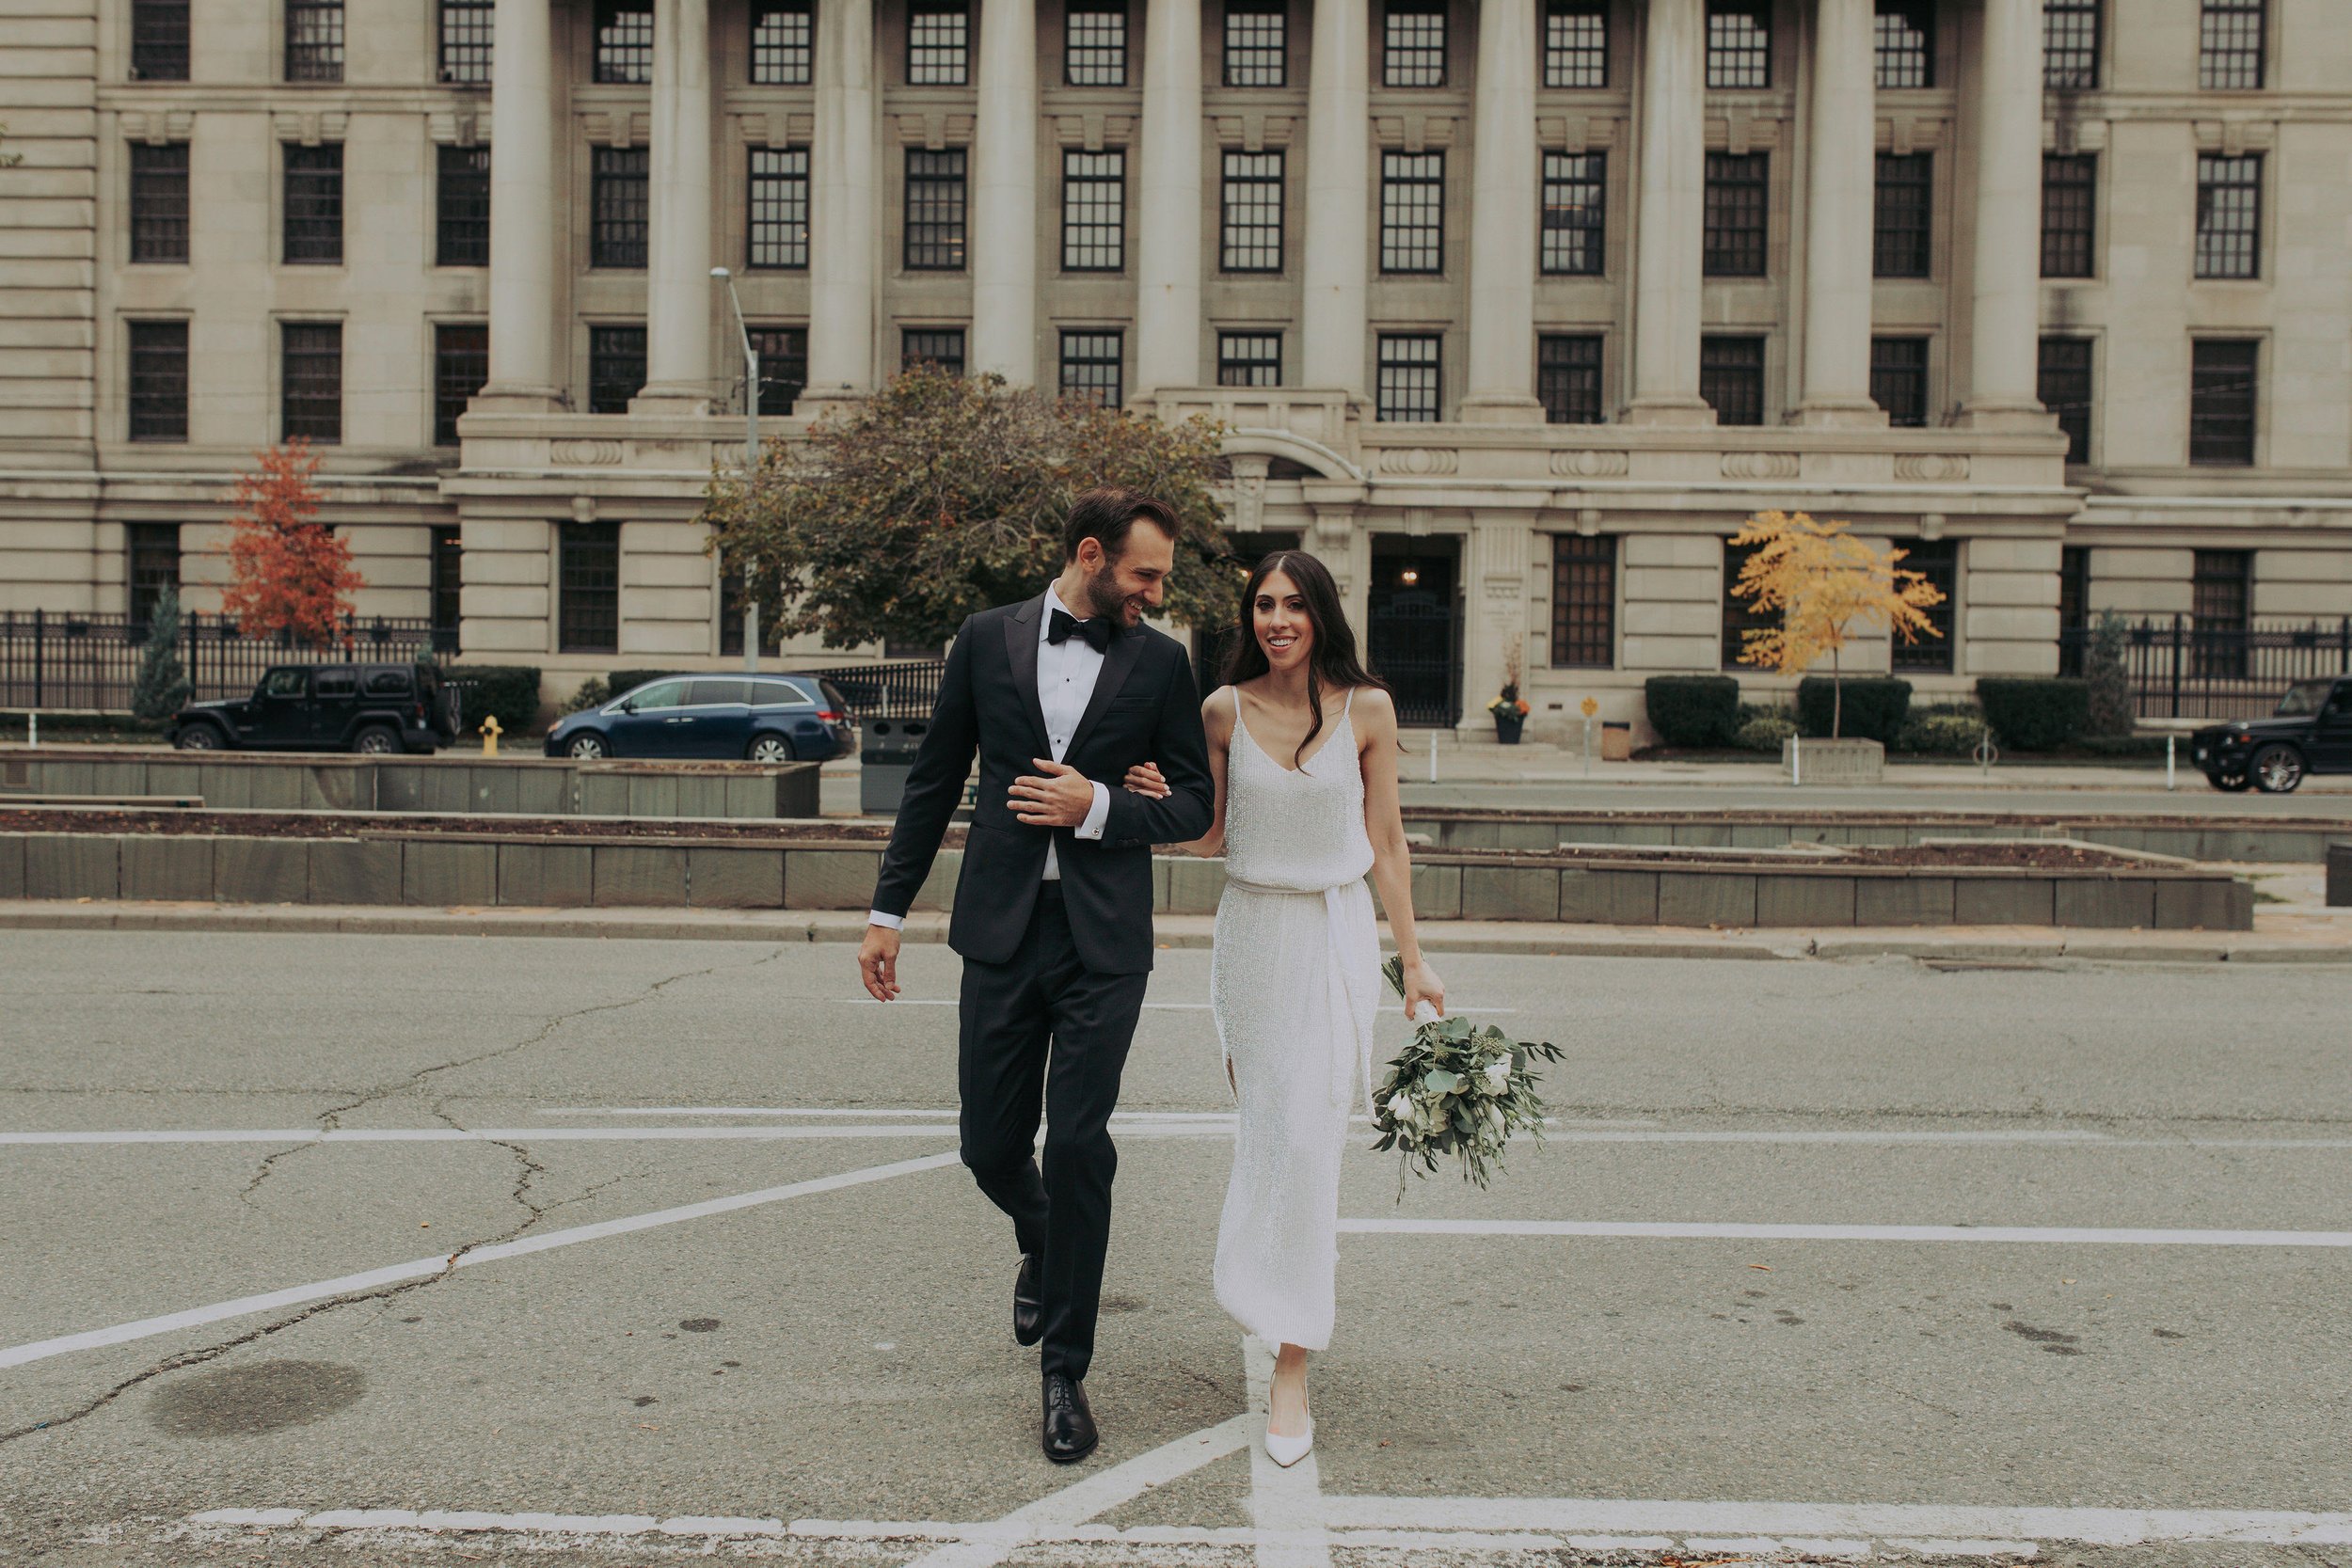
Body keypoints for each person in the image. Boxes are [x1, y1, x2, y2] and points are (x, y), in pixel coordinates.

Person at [857, 487, 1216, 1465]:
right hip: (1001, 929)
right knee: (987, 1143)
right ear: (1091, 554)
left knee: (1081, 1142)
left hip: (1103, 940)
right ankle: (1043, 1236)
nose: (1152, 591)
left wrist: (1098, 803)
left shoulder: (1161, 660)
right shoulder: (986, 637)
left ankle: (1064, 1367)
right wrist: (888, 912)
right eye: (1142, 573)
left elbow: (1192, 801)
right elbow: (933, 776)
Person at [1121, 549, 1443, 1468]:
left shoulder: (1369, 710)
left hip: (1334, 934)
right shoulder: (1220, 709)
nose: (1276, 618)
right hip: (1253, 938)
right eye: (1263, 604)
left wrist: (1413, 961)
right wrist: (1157, 800)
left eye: (1293, 604)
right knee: (1268, 1134)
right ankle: (1267, 1299)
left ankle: (1292, 1358)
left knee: (1310, 1140)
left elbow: (1385, 841)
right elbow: (1216, 832)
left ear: (1321, 613)